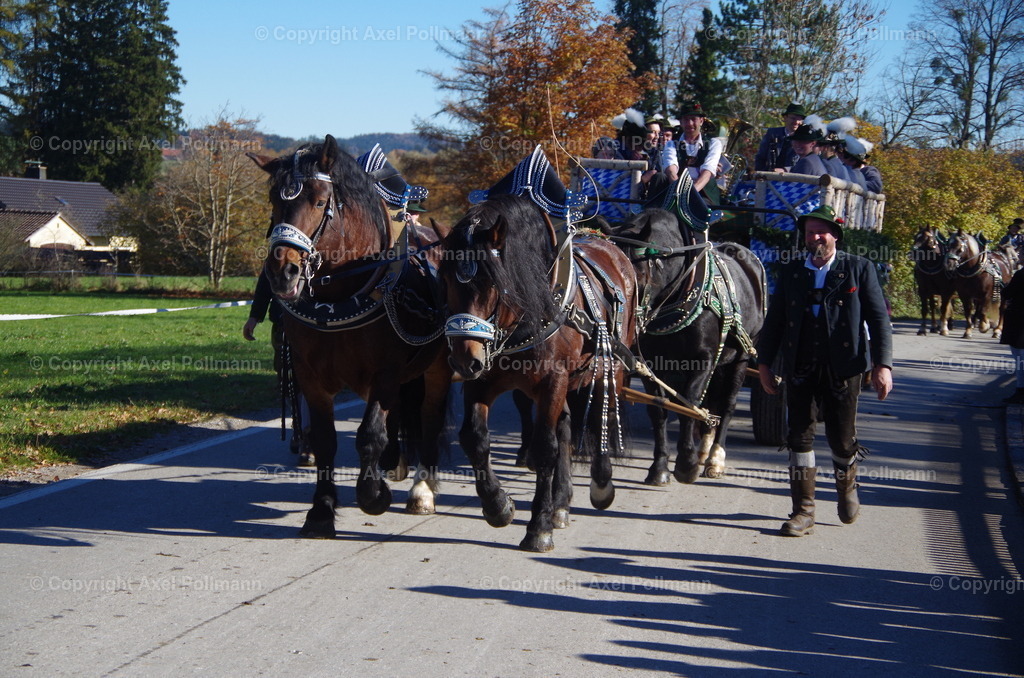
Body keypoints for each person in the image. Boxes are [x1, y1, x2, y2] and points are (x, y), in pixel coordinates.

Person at [757, 204, 893, 537]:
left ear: (835, 236)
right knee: (799, 436)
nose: (815, 237)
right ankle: (803, 512)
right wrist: (763, 364)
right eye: (810, 232)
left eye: (821, 232)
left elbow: (878, 320)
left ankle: (847, 488)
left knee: (841, 439)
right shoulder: (792, 271)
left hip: (843, 368)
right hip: (800, 366)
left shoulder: (858, 268)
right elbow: (774, 322)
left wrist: (882, 365)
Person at [243, 270, 311, 460]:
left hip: (314, 324)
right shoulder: (276, 256)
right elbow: (265, 283)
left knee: (312, 381)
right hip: (283, 324)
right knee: (288, 381)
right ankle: (298, 426)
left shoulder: (321, 253)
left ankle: (309, 434)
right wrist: (254, 317)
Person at [674, 99, 724, 201]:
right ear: (681, 122)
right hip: (677, 191)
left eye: (694, 119)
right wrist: (678, 193)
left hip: (704, 194)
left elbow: (707, 171)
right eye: (686, 120)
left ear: (701, 121)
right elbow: (671, 170)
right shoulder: (671, 144)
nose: (690, 123)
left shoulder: (714, 143)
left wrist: (688, 196)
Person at [754, 102, 806, 172]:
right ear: (785, 118)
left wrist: (785, 170)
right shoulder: (772, 133)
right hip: (769, 175)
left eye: (799, 119)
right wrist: (760, 174)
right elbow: (761, 157)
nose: (796, 122)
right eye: (793, 118)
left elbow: (803, 163)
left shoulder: (805, 139)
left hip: (792, 176)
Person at [1001, 267, 1024, 404]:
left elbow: (1008, 293)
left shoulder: (1021, 274)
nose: (1020, 256)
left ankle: (1020, 390)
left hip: (1019, 320)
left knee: (1020, 357)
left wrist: (1004, 287)